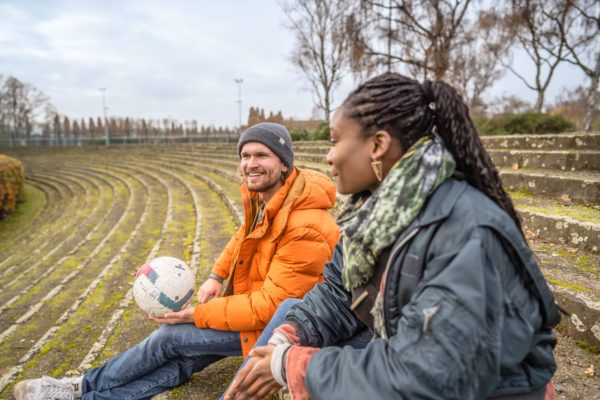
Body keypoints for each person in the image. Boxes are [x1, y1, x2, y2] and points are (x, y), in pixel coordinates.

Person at [225, 73, 561, 400]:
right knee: (290, 315)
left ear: (377, 145)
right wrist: (288, 337)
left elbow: (431, 375)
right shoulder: (375, 214)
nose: (328, 156)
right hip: (417, 368)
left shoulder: (467, 230)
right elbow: (337, 293)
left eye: (335, 140)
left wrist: (293, 366)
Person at [14, 122, 340, 400]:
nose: (250, 163)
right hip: (260, 311)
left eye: (261, 155)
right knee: (185, 358)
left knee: (172, 338)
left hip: (281, 327)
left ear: (284, 163)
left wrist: (197, 314)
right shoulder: (270, 198)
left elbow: (269, 307)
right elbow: (242, 236)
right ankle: (90, 395)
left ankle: (82, 385)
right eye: (245, 155)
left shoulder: (305, 225)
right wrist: (215, 275)